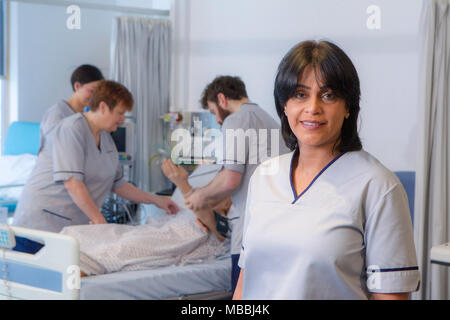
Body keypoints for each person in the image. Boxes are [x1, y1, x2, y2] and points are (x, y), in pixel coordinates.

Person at [233, 40, 421, 300]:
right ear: (284, 105)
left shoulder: (378, 186)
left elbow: (392, 297)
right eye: (300, 94)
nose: (313, 108)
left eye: (328, 95)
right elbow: (246, 283)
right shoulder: (264, 177)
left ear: (347, 107)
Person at [13, 80, 178, 253]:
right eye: (120, 113)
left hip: (70, 228)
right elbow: (72, 183)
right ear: (103, 107)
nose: (122, 120)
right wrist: (100, 223)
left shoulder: (106, 139)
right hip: (40, 225)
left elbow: (119, 184)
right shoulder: (71, 129)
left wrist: (156, 200)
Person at [184, 76, 289, 294]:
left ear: (222, 99)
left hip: (249, 226)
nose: (218, 120)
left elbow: (230, 178)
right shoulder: (269, 120)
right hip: (278, 225)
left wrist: (200, 196)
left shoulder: (236, 120)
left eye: (213, 112)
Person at [61, 158, 232, 277]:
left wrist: (183, 184)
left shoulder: (223, 221)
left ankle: (79, 269)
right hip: (160, 229)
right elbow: (198, 204)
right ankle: (60, 257)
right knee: (103, 233)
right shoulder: (199, 205)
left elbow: (216, 227)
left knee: (124, 247)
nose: (212, 194)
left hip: (174, 239)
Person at [39, 64, 104, 151]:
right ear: (77, 86)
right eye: (92, 91)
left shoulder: (84, 115)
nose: (96, 96)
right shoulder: (56, 114)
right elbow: (53, 150)